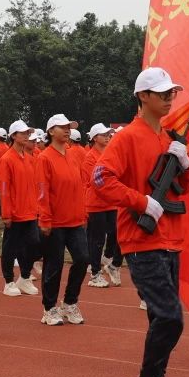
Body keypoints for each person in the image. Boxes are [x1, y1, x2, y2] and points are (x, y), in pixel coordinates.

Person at [92, 68, 189, 377]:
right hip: (141, 239)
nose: (169, 97)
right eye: (162, 92)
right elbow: (100, 179)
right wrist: (140, 201)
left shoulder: (169, 138)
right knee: (171, 317)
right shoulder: (126, 138)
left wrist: (186, 165)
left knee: (159, 318)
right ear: (143, 97)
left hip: (171, 236)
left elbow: (185, 189)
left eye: (172, 92)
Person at [37, 114, 90, 326]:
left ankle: (69, 302)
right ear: (51, 131)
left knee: (83, 259)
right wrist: (46, 219)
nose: (67, 130)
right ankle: (49, 308)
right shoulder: (45, 157)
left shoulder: (72, 155)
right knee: (54, 265)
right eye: (62, 127)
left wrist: (83, 212)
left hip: (75, 219)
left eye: (69, 127)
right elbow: (42, 190)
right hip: (55, 222)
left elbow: (79, 186)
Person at [0, 120, 42, 296]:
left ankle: (23, 277)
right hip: (14, 214)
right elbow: (4, 189)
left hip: (30, 212)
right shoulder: (6, 159)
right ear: (13, 135)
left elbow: (35, 186)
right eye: (22, 133)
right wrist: (6, 214)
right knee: (10, 248)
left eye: (27, 133)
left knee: (34, 245)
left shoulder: (30, 159)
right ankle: (8, 281)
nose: (26, 135)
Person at [82, 123, 123, 288]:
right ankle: (95, 274)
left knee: (117, 234)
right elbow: (94, 182)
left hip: (111, 203)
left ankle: (108, 261)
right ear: (94, 138)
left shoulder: (109, 153)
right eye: (103, 134)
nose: (107, 136)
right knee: (97, 239)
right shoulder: (90, 157)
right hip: (97, 204)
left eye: (108, 134)